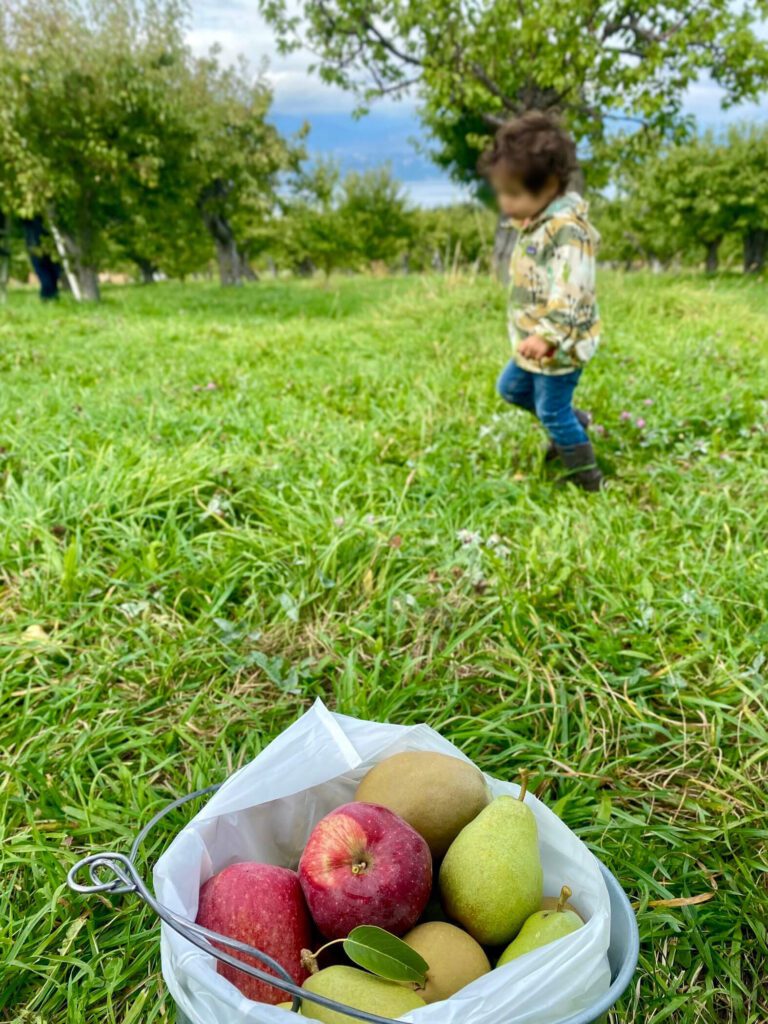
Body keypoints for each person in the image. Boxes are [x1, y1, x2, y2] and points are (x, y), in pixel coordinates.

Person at [479, 112, 603, 491]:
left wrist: (549, 336)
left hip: (558, 347)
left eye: (513, 194)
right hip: (531, 344)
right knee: (511, 388)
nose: (504, 204)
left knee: (550, 409)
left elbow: (572, 293)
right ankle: (573, 421)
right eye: (501, 192)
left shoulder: (567, 232)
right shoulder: (536, 222)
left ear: (549, 184)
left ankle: (588, 479)